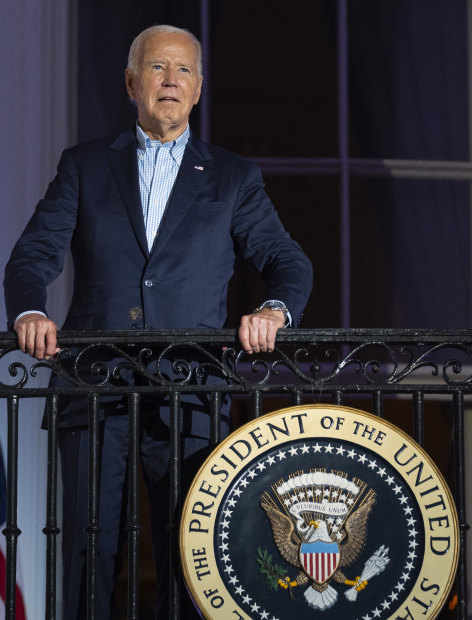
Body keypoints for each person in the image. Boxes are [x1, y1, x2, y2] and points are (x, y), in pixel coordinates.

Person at [4, 24, 312, 619]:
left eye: (183, 70)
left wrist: (275, 309)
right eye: (156, 68)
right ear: (131, 82)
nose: (170, 80)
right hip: (94, 389)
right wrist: (31, 309)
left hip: (192, 392)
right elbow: (32, 256)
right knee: (88, 555)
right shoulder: (85, 166)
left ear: (197, 89)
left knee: (192, 559)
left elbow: (286, 260)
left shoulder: (233, 177)